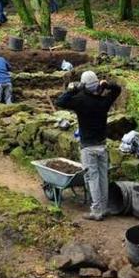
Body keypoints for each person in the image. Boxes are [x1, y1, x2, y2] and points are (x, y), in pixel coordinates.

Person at [55, 71, 122, 221]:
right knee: (103, 177)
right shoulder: (104, 101)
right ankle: (104, 208)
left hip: (88, 147)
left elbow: (60, 102)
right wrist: (106, 84)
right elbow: (117, 89)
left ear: (84, 85)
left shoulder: (80, 100)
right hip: (102, 145)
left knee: (93, 178)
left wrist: (74, 89)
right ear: (97, 83)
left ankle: (96, 211)